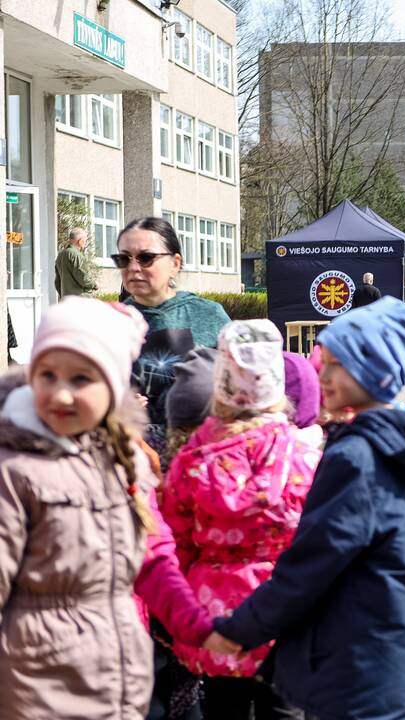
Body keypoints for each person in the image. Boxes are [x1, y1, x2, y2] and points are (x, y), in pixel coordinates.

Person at [210, 298, 405, 720]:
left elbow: (309, 564)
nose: (320, 371)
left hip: (358, 660)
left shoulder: (358, 457)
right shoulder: (404, 442)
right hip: (394, 652)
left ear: (372, 371)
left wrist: (240, 630)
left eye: (335, 363)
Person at [0, 297, 159, 717]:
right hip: (39, 686)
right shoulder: (14, 469)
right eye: (47, 375)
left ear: (113, 387)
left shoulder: (127, 459)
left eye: (81, 379)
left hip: (116, 678)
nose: (61, 393)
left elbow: (152, 557)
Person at [161, 320, 319, 718]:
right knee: (286, 709)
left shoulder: (191, 464)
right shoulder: (304, 460)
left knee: (222, 709)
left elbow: (173, 546)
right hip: (287, 613)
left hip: (214, 618)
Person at [119, 216, 231, 448]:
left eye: (146, 258)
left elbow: (239, 383)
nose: (133, 267)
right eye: (123, 259)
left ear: (175, 263)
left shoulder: (209, 315)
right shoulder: (109, 320)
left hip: (201, 450)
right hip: (131, 453)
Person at [54, 226, 97, 298]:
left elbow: (57, 282)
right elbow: (83, 278)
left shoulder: (60, 255)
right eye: (85, 241)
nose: (85, 244)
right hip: (81, 299)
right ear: (80, 241)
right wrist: (94, 284)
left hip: (66, 299)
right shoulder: (76, 255)